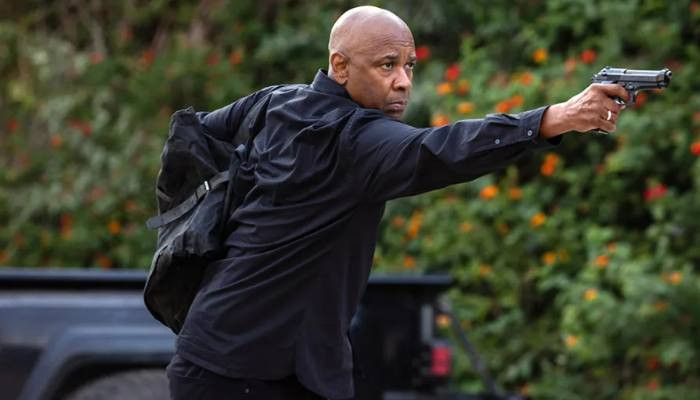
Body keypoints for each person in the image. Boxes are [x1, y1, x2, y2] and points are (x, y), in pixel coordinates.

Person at [166, 5, 628, 400]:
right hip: (239, 375)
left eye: (409, 66)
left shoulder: (275, 102)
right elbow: (442, 150)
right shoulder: (356, 139)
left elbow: (193, 133)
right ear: (340, 66)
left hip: (242, 360)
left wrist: (225, 209)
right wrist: (555, 118)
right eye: (387, 65)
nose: (403, 82)